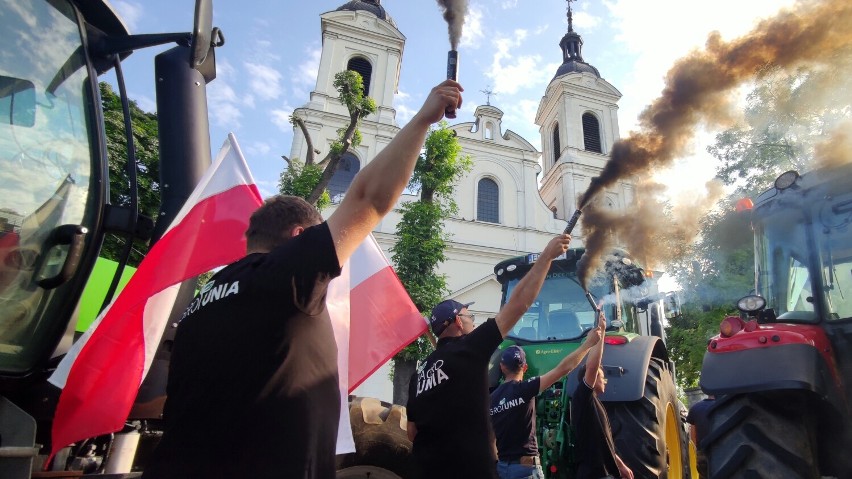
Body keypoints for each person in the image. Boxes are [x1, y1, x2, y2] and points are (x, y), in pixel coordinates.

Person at [142, 79, 463, 479]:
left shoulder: (199, 304)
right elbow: (368, 199)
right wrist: (424, 119)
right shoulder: (282, 276)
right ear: (299, 238)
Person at [406, 233, 573, 479]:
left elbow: (412, 432)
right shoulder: (469, 349)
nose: (472, 320)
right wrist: (546, 257)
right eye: (468, 316)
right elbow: (519, 304)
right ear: (457, 323)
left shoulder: (419, 375)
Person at [490, 323, 603, 479]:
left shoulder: (491, 399)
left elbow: (490, 440)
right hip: (525, 469)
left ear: (502, 367)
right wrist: (589, 344)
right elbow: (563, 369)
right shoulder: (526, 389)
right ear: (525, 368)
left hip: (503, 469)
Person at [571, 312, 634, 479]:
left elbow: (605, 443)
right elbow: (592, 366)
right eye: (601, 375)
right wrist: (602, 331)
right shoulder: (583, 398)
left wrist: (621, 466)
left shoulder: (595, 405)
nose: (605, 380)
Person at [686, 395, 715, 479]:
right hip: (722, 451)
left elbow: (693, 434)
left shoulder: (695, 408)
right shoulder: (726, 405)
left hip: (702, 451)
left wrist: (697, 451)